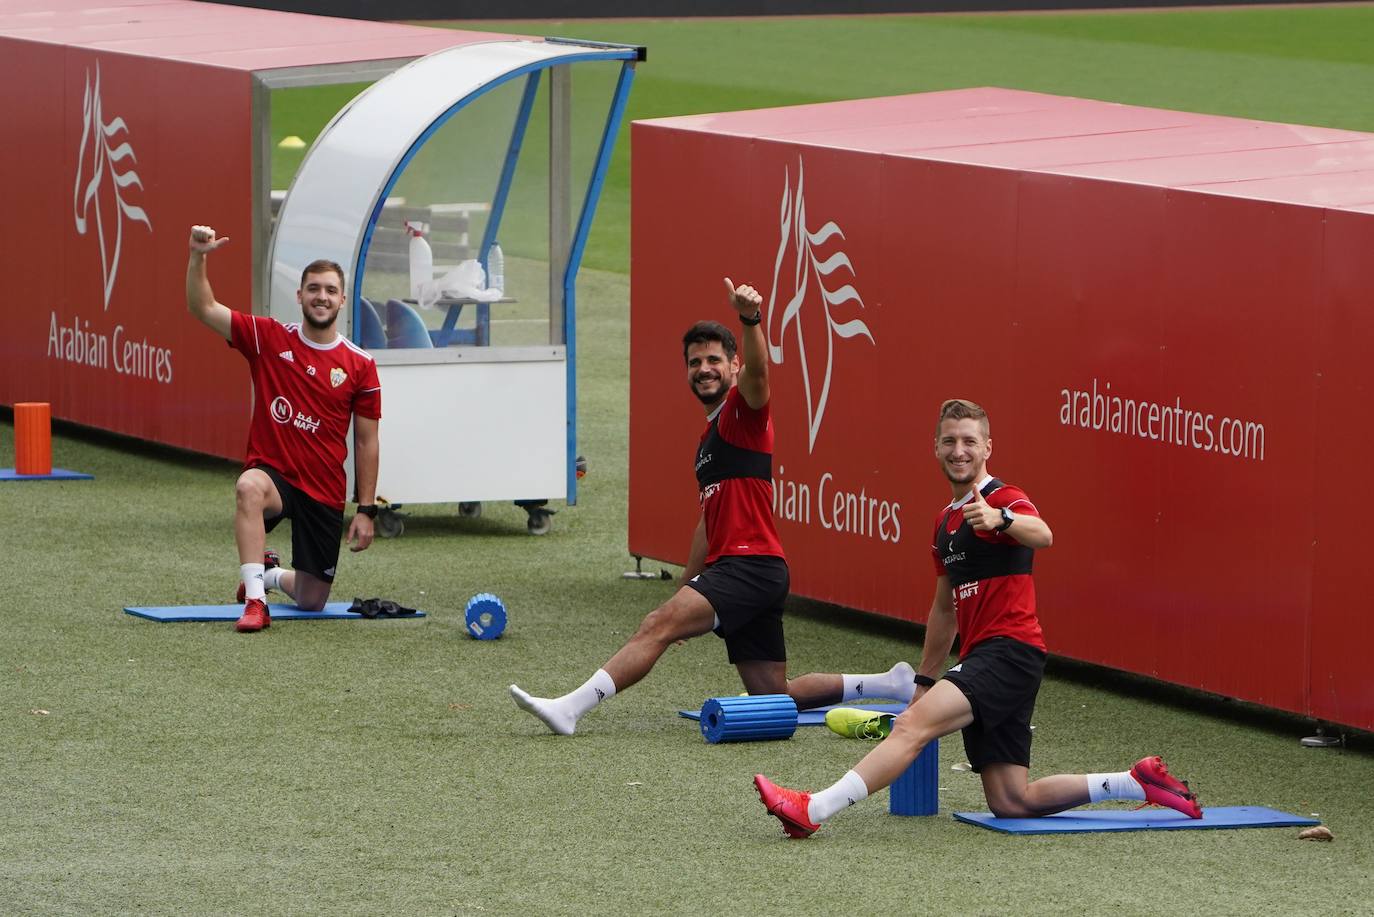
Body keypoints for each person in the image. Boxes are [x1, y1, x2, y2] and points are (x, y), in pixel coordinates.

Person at [754, 398, 1202, 837]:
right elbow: (944, 610)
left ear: (988, 447)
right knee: (1010, 800)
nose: (959, 450)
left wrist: (1000, 518)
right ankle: (1132, 780)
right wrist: (924, 683)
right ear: (936, 447)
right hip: (990, 658)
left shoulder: (1002, 498)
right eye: (949, 441)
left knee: (911, 728)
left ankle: (813, 808)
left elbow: (1043, 534)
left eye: (969, 441)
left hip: (1009, 653)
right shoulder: (944, 523)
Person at [509, 278, 918, 734]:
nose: (703, 369)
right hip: (756, 570)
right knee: (773, 696)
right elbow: (709, 519)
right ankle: (891, 682)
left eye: (713, 360)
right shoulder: (709, 437)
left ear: (733, 365)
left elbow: (761, 374)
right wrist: (686, 585)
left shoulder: (743, 412)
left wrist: (749, 319)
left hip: (748, 566)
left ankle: (570, 708)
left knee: (655, 627)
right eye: (694, 362)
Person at [186, 224, 382, 633]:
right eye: (313, 288)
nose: (321, 297)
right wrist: (197, 256)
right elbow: (203, 308)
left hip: (323, 489)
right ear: (300, 296)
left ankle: (266, 576)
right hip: (275, 478)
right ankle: (256, 604)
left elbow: (366, 441)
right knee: (248, 488)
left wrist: (365, 511)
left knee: (313, 600)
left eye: (330, 290)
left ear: (343, 299)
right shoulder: (269, 338)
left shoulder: (360, 364)